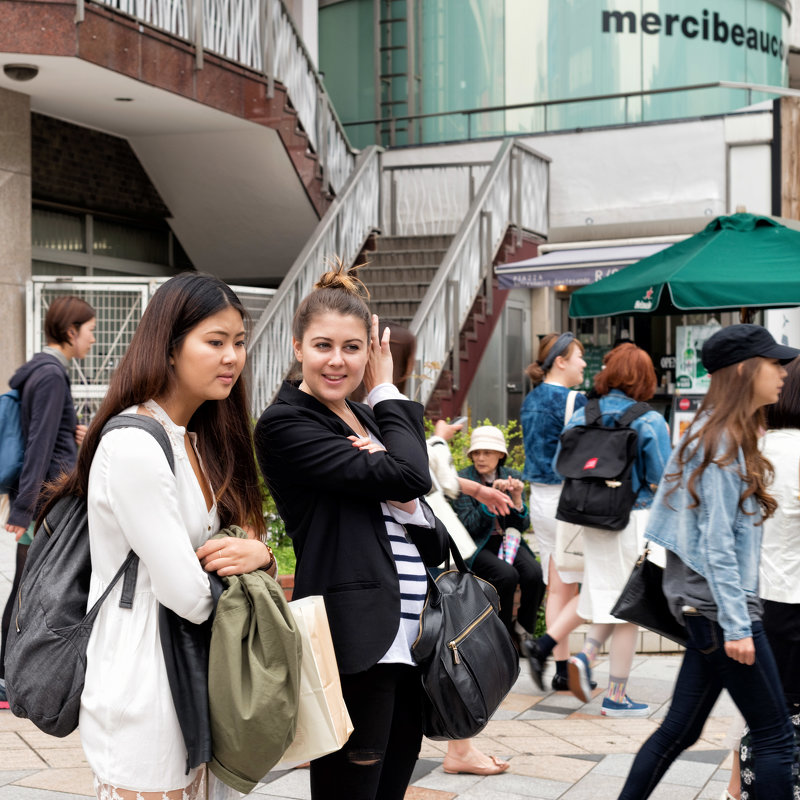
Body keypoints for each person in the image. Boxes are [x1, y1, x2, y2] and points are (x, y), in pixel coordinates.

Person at [39, 274, 272, 799]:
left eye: (238, 342)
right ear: (169, 349)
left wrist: (258, 553)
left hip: (195, 677)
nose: (232, 357)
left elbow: (236, 541)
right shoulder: (133, 445)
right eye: (215, 342)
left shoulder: (196, 437)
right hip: (143, 685)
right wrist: (248, 565)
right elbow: (188, 594)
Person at [254, 263, 447, 800]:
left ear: (368, 348)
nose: (337, 361)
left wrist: (398, 481)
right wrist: (387, 390)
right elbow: (413, 472)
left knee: (391, 786)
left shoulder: (364, 416)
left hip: (412, 636)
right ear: (298, 347)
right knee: (351, 790)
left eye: (352, 348)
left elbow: (425, 523)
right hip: (356, 635)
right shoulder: (289, 423)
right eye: (322, 346)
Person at [617, 324, 798, 800]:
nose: (783, 373)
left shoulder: (713, 432)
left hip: (706, 612)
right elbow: (717, 546)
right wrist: (739, 627)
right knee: (776, 737)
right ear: (743, 370)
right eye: (774, 364)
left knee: (678, 732)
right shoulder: (721, 443)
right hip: (724, 614)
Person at [558, 344, 671, 717]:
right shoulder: (648, 419)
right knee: (630, 609)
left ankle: (587, 655)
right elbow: (661, 478)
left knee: (610, 598)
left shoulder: (583, 412)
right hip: (633, 519)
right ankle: (616, 697)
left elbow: (567, 461)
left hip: (592, 519)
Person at [0, 295, 96, 709]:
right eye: (90, 331)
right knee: (27, 587)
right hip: (48, 502)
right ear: (71, 332)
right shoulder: (53, 375)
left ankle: (7, 672)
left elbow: (47, 434)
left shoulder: (39, 372)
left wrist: (74, 434)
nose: (92, 339)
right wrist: (23, 509)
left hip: (43, 500)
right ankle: (7, 675)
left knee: (26, 586)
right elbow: (39, 443)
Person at [519, 331, 588, 690]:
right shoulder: (575, 400)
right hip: (567, 499)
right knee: (585, 583)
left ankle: (560, 668)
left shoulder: (530, 400)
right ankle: (554, 654)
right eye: (579, 357)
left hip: (540, 500)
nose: (583, 363)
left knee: (559, 584)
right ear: (560, 360)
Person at [452, 425, 545, 651]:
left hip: (508, 541)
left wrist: (515, 498)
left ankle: (524, 631)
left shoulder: (511, 476)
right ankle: (501, 637)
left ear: (500, 455)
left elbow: (521, 525)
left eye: (487, 452)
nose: (480, 458)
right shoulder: (462, 479)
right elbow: (468, 526)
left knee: (534, 573)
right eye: (476, 453)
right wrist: (489, 500)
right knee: (506, 575)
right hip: (477, 545)